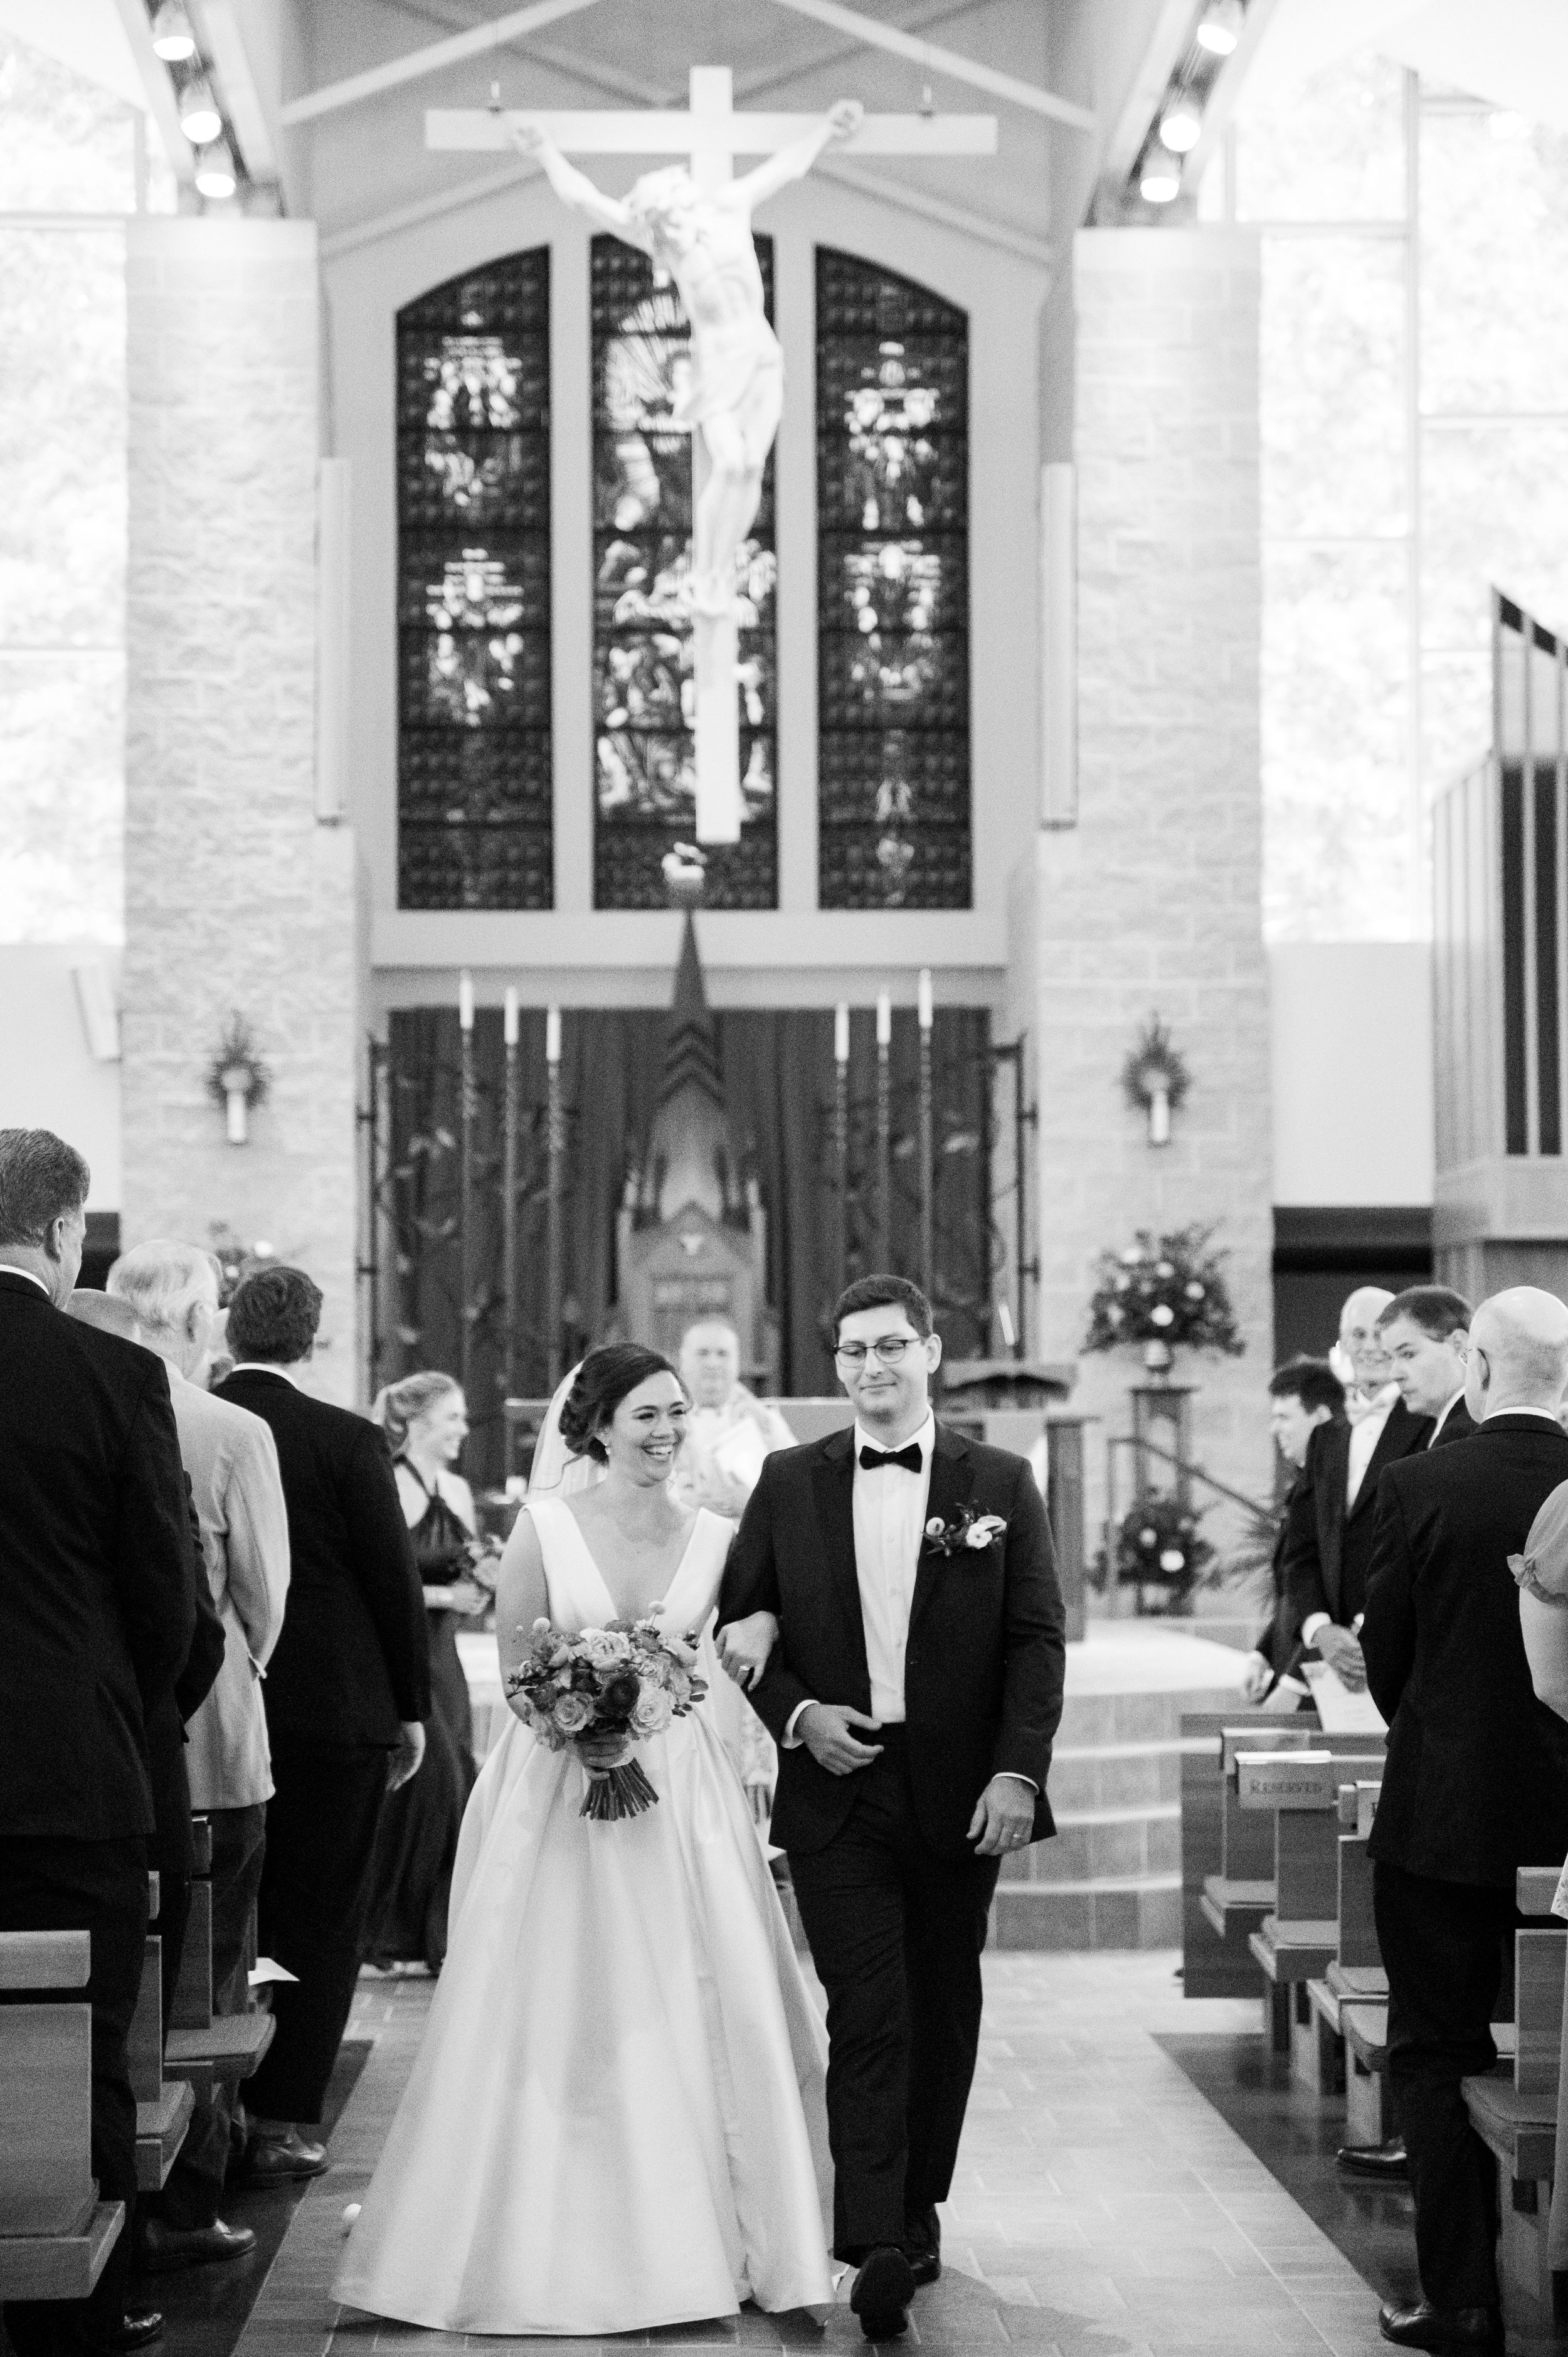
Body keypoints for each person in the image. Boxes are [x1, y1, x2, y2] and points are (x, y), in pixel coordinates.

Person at [335, 1343, 832, 2336]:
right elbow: (519, 1665)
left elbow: (747, 1641)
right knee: (561, 1999)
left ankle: (708, 2227)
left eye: (676, 1413)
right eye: (644, 1414)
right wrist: (579, 1726)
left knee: (692, 1996)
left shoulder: (721, 1537)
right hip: (561, 1793)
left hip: (682, 1799)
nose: (663, 1432)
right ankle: (541, 2230)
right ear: (598, 1425)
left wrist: (764, 1637)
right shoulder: (545, 1527)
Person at [716, 1274, 1067, 2341]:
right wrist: (797, 1712)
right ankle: (872, 2237)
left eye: (890, 1348)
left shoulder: (998, 1478)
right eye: (853, 1351)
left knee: (943, 2000)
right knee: (866, 2008)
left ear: (931, 1350)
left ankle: (916, 2207)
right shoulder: (788, 1479)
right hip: (838, 1783)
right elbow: (741, 1620)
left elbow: (1035, 1637)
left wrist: (1019, 1771)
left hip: (963, 1792)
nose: (871, 1367)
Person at [0, 1130, 196, 2357]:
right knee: (80, 2050)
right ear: (70, 1233)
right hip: (71, 1775)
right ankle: (84, 2312)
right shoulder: (114, 1377)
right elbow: (163, 1600)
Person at [1362, 1286, 1568, 2354]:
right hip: (1567, 1830)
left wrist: (1435, 1735)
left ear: (1478, 1365)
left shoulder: (1418, 1484)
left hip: (1442, 1820)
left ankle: (1463, 2299)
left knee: (1434, 2051)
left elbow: (1387, 1654)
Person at [216, 1267, 430, 2183]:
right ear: (314, 1339)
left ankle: (211, 2109)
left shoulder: (189, 1416)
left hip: (223, 1706)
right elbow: (394, 1582)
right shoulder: (347, 1438)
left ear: (228, 1328)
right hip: (337, 1712)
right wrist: (412, 1708)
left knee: (225, 1907)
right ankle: (283, 2121)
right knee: (323, 1912)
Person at [105, 1240, 291, 2274]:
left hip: (110, 1740)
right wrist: (235, 1677)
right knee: (211, 1982)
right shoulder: (231, 1428)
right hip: (212, 1734)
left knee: (126, 1982)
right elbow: (263, 1600)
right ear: (190, 1320)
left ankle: (118, 2188)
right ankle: (195, 2196)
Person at [515, 98, 862, 615]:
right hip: (717, 367)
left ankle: (720, 572)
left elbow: (786, 168)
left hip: (761, 356)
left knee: (750, 469)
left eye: (667, 219)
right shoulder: (664, 243)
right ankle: (704, 572)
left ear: (681, 202)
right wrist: (545, 151)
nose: (664, 234)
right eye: (657, 226)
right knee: (730, 461)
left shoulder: (730, 205)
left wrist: (825, 130)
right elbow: (585, 201)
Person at [358, 1373, 485, 1974]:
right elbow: (382, 1579)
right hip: (406, 1656)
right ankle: (388, 1931)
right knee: (432, 1785)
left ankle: (438, 1935)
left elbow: (467, 1570)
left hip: (448, 1658)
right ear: (417, 1421)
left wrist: (484, 1585)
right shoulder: (387, 1485)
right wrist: (444, 1597)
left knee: (457, 1774)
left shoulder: (458, 1491)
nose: (463, 1428)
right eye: (453, 1417)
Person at [1283, 1285, 1433, 1697]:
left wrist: (1370, 1629)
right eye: (1358, 1334)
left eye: (1379, 1332)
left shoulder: (1429, 1423)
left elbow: (1425, 1545)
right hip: (1330, 1654)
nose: (1370, 1346)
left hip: (1403, 1646)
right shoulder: (1325, 1437)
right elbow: (1301, 1548)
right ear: (1342, 1342)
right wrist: (1321, 1628)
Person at [674, 1317, 795, 1811]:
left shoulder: (764, 1423)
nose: (713, 1364)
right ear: (681, 1360)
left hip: (749, 1586)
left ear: (739, 1361)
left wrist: (748, 1500)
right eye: (702, 1353)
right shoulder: (666, 1419)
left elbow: (797, 1501)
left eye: (723, 1354)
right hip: (682, 1584)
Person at [1240, 1356, 1346, 1705]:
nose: (1275, 1429)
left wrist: (1297, 1681)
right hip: (1290, 1667)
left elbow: (1337, 1599)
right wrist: (1265, 1652)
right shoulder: (1304, 1483)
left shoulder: (1341, 1490)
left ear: (1321, 1417)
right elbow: (1296, 1588)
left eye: (1284, 1417)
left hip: (1325, 1680)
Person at [1377, 1285, 1476, 1448]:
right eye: (1390, 1357)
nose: (1394, 1374)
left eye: (1408, 1354)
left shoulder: (1472, 1434)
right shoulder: (1437, 1430)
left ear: (1459, 1344)